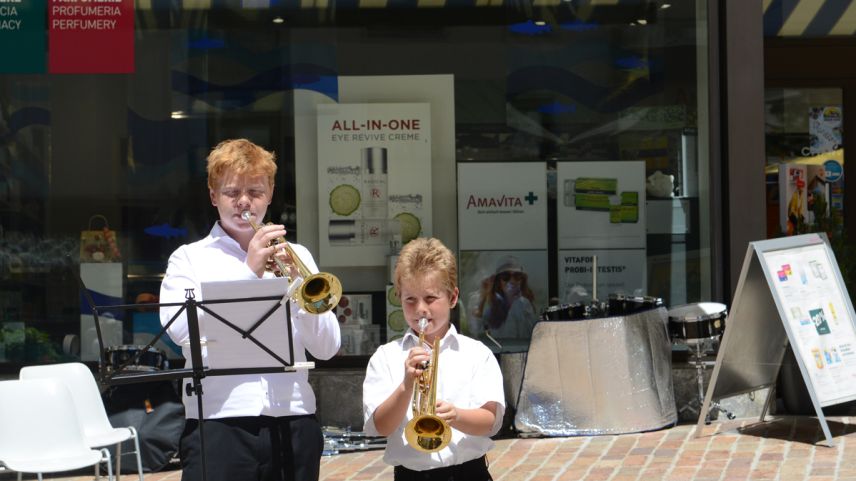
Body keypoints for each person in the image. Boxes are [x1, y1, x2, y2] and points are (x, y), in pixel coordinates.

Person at [159, 139, 340, 481]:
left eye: (255, 191)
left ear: (271, 193)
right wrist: (249, 271)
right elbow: (180, 332)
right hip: (218, 420)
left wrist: (302, 294)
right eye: (232, 192)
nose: (244, 201)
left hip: (294, 416)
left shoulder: (296, 255)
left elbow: (327, 347)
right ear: (213, 196)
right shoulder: (189, 258)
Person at [363, 237, 505, 481]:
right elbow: (381, 427)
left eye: (430, 298)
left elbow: (490, 423)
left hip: (468, 473)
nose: (420, 309)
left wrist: (457, 416)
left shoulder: (476, 353)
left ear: (452, 298)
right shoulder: (386, 356)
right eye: (410, 300)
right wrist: (407, 384)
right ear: (399, 298)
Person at [472, 255, 538, 341]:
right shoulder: (494, 308)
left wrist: (515, 303)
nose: (512, 281)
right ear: (499, 281)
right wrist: (484, 296)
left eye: (517, 276)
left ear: (522, 280)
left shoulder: (524, 304)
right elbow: (477, 332)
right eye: (505, 277)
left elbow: (529, 337)